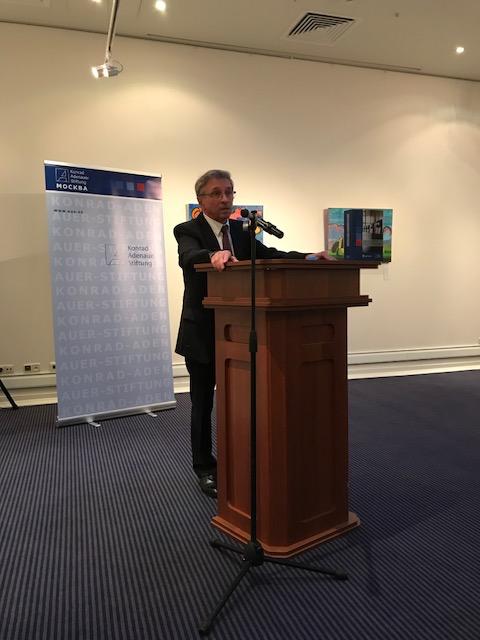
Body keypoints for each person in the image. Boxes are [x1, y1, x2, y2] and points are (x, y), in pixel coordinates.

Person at [174, 169, 331, 498]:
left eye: (229, 192)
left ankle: (241, 458)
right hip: (202, 332)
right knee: (202, 404)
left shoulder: (240, 230)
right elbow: (188, 257)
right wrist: (212, 255)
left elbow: (270, 255)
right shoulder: (187, 229)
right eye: (216, 193)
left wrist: (308, 256)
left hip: (240, 332)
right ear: (201, 199)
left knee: (242, 401)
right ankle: (204, 467)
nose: (225, 199)